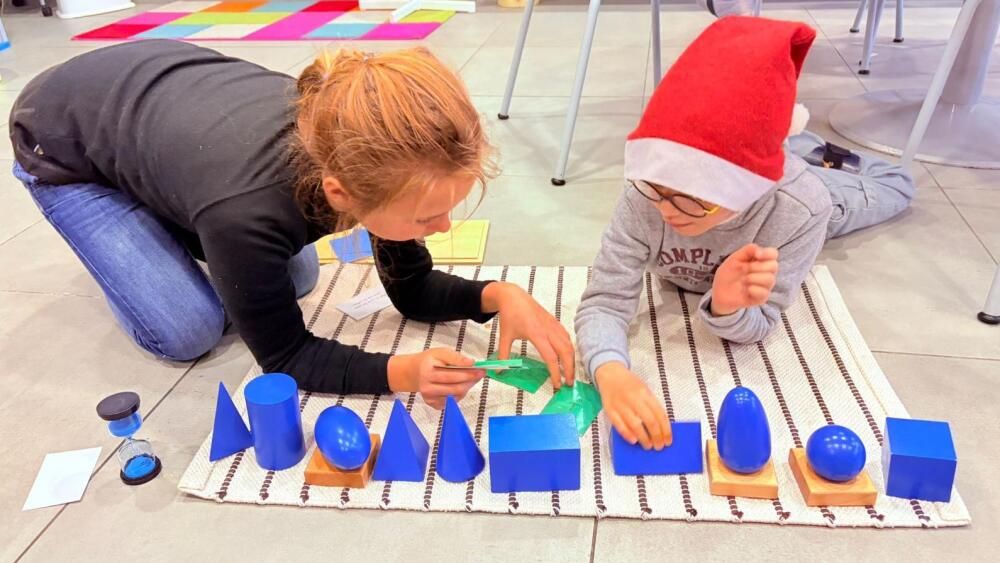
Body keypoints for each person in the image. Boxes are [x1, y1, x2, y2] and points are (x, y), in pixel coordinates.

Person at [10, 40, 575, 409]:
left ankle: (170, 197)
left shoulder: (364, 152)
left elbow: (414, 291)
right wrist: (402, 373)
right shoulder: (247, 211)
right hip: (60, 142)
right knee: (190, 333)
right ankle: (148, 200)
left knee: (298, 280)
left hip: (161, 104)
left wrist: (502, 296)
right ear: (341, 194)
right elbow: (284, 359)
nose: (444, 227)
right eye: (428, 216)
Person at [574, 17, 914, 449]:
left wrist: (729, 306)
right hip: (767, 174)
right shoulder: (646, 195)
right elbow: (604, 298)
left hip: (821, 194)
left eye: (693, 198)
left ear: (747, 187)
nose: (665, 209)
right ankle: (787, 135)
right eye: (657, 188)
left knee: (897, 186)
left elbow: (761, 322)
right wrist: (610, 370)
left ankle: (805, 147)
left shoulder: (801, 209)